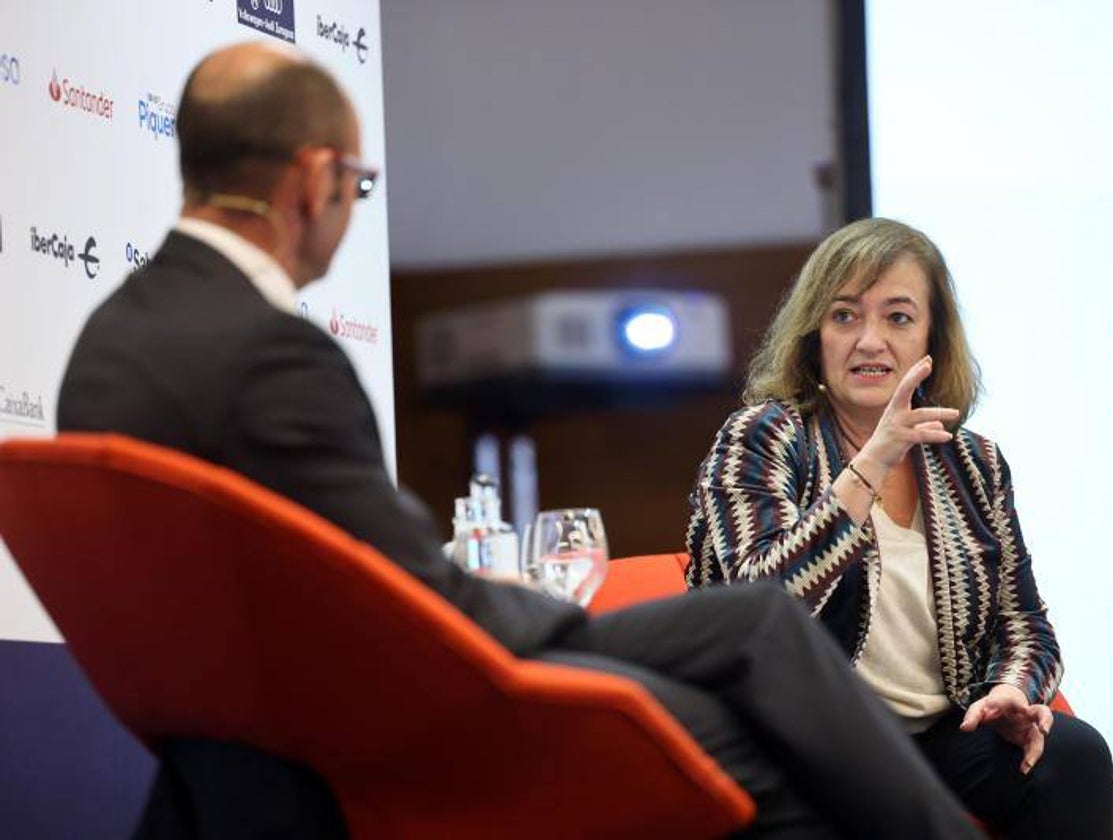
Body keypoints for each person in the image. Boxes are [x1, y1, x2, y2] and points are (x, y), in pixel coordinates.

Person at [58, 43, 982, 838]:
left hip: (235, 721)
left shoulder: (104, 348)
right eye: (357, 186)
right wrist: (539, 610)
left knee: (753, 652)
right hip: (390, 709)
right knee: (758, 672)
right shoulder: (273, 355)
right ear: (313, 181)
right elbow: (405, 592)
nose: (348, 210)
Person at [685, 218, 1113, 837]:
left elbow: (1024, 622)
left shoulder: (973, 462)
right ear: (815, 337)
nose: (869, 341)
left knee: (1074, 757)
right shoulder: (761, 437)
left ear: (931, 338)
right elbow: (761, 604)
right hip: (800, 738)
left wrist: (1011, 692)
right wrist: (870, 464)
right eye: (844, 316)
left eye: (898, 317)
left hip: (939, 735)